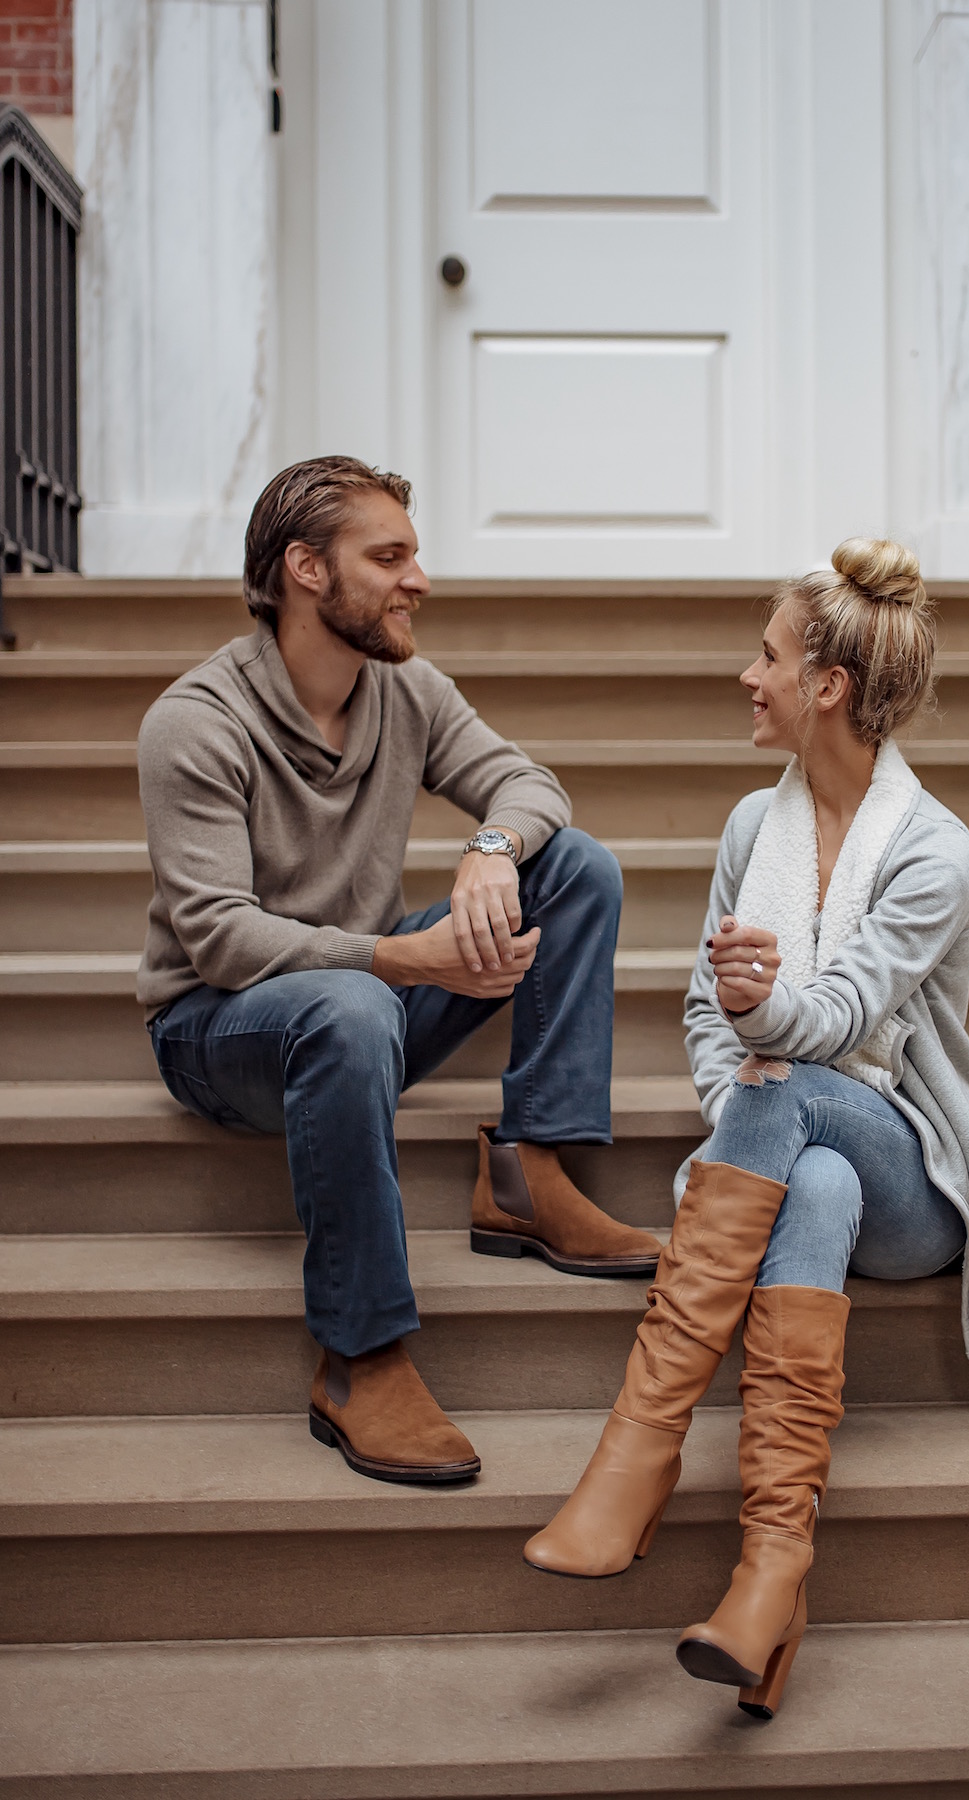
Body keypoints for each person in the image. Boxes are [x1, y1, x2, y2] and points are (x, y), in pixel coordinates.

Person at [522, 537, 969, 1718]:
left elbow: (841, 1015)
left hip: (912, 1172)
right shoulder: (750, 831)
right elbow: (711, 1023)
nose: (744, 676)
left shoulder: (934, 854)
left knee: (794, 1102)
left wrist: (760, 1025)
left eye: (766, 656)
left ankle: (638, 1446)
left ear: (829, 689)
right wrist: (741, 1086)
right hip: (802, 1159)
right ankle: (771, 1576)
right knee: (802, 1179)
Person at [137, 456, 661, 1487]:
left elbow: (525, 783)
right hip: (219, 1029)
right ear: (306, 571)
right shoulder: (196, 723)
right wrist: (397, 957)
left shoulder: (405, 691)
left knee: (575, 867)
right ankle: (361, 1353)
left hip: (363, 1008)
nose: (420, 579)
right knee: (346, 1008)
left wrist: (491, 850)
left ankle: (530, 1169)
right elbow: (222, 941)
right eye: (390, 557)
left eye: (414, 555)